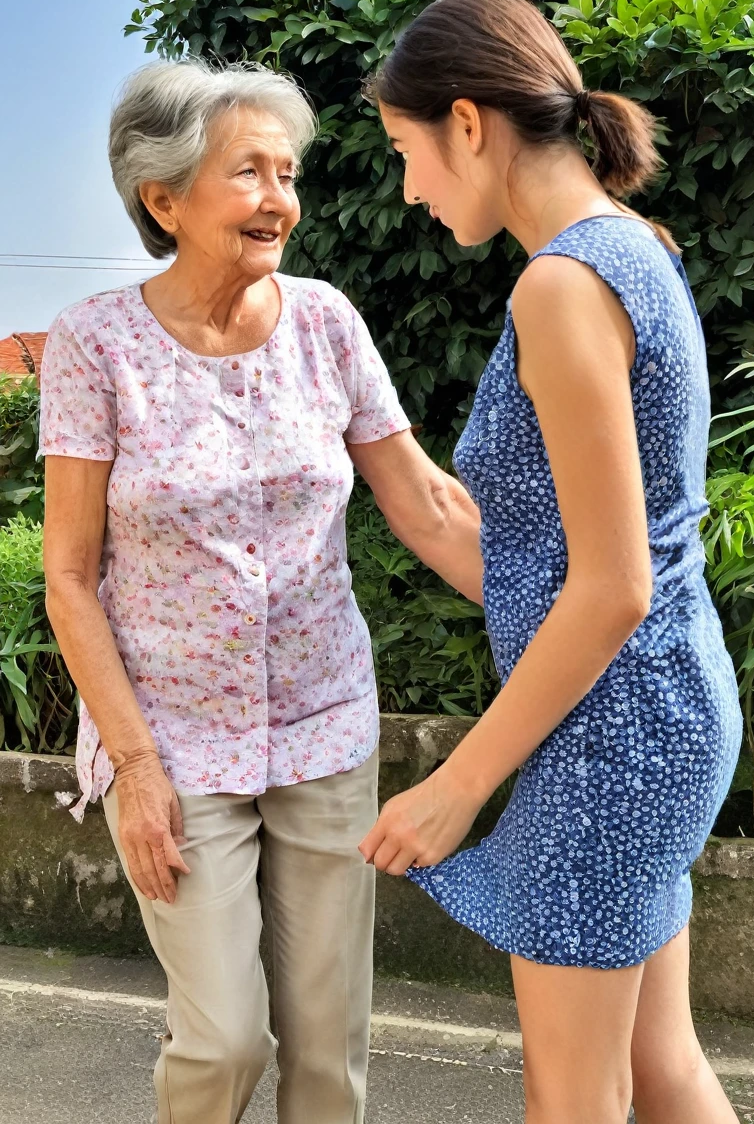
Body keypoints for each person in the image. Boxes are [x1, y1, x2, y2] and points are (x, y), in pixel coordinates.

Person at [39, 58, 483, 1124]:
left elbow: (423, 504)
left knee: (330, 1050)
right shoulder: (97, 344)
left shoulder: (327, 322)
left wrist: (574, 609)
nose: (281, 198)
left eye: (288, 172)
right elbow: (68, 574)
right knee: (226, 1038)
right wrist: (133, 768)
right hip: (176, 743)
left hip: (324, 725)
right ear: (164, 196)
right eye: (249, 172)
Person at [359, 0, 743, 1124]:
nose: (410, 188)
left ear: (466, 123)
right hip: (661, 712)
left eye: (404, 152)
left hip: (613, 739)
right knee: (660, 1069)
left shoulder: (562, 285)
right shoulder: (632, 251)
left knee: (573, 1099)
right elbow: (563, 556)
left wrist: (456, 783)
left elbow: (612, 585)